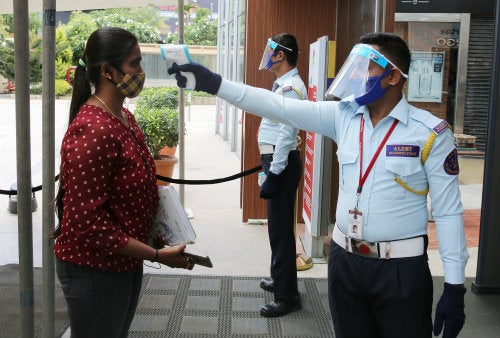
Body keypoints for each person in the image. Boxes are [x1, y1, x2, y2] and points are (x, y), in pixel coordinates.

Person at [168, 32, 469, 338]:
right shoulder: (344, 116)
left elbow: (448, 213)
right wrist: (214, 83)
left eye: (366, 68)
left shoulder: (430, 133)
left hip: (401, 270)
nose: (356, 76)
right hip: (345, 263)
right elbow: (275, 106)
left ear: (393, 76)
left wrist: (455, 286)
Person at [53, 27, 193, 338]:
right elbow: (84, 223)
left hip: (125, 261)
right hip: (94, 269)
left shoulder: (125, 118)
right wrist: (155, 256)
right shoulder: (93, 129)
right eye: (135, 64)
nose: (141, 73)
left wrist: (154, 235)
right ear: (106, 71)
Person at [255, 33, 307, 317]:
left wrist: (274, 172)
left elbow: (287, 134)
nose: (268, 55)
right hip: (276, 161)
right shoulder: (284, 85)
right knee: (277, 227)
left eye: (271, 51)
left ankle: (288, 296)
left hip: (281, 163)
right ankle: (280, 278)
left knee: (281, 230)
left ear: (281, 56)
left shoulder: (291, 88)